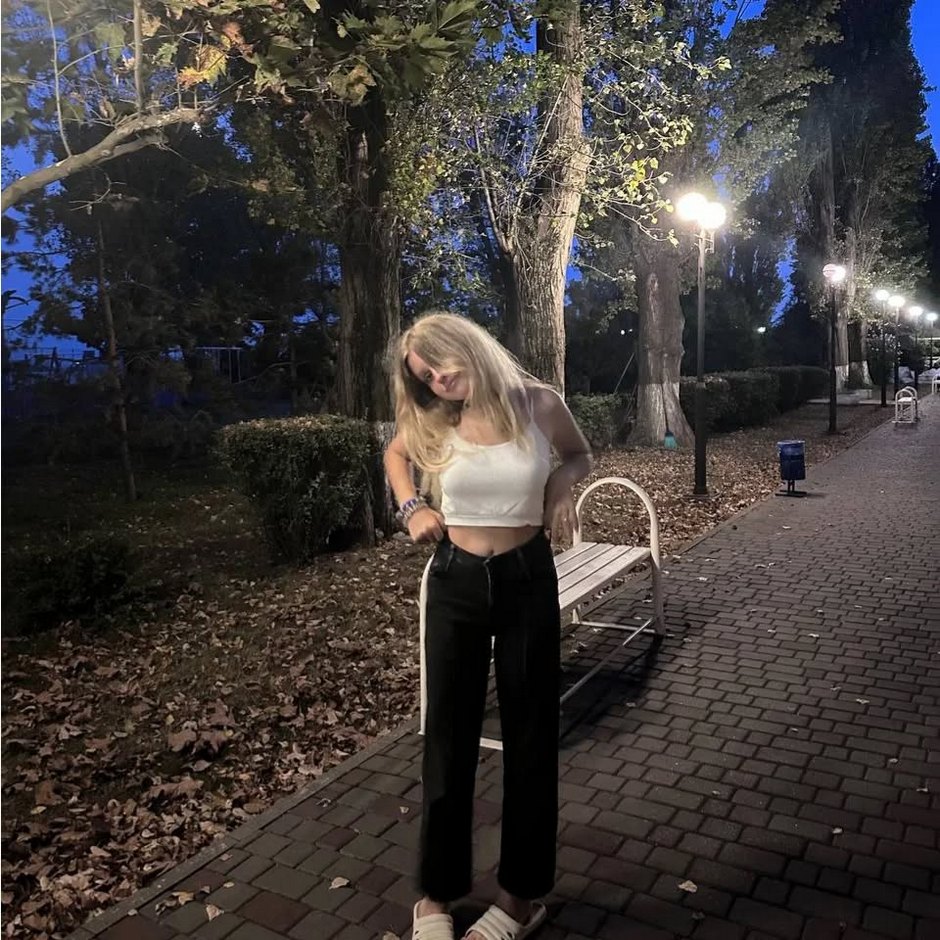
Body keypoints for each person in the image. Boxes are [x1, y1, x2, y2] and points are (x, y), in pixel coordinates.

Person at [383, 312, 593, 940]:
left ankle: (520, 898)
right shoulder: (433, 417)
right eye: (425, 376)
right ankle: (435, 896)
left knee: (532, 736)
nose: (439, 380)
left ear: (468, 346)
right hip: (456, 580)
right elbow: (394, 454)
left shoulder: (538, 404)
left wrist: (560, 485)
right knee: (448, 738)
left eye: (441, 363)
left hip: (527, 576)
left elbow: (580, 455)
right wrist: (411, 506)